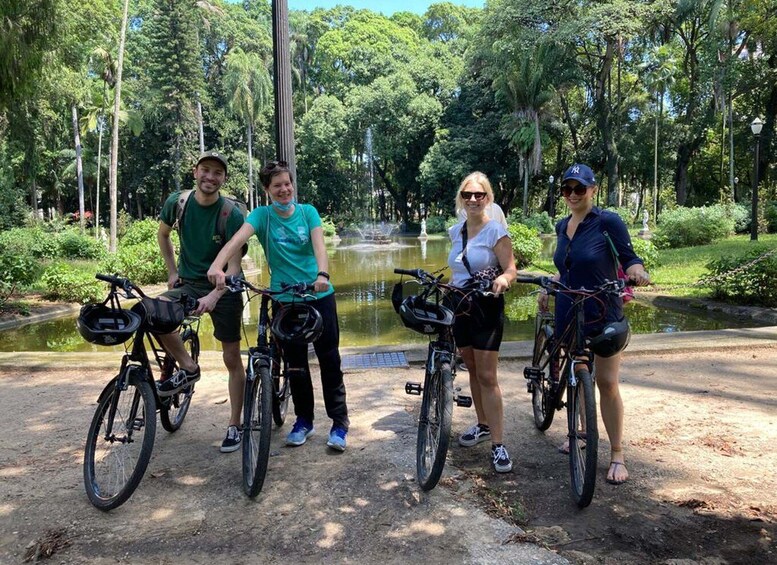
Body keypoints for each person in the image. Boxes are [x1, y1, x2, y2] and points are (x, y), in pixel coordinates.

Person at [207, 160, 350, 452]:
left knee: (329, 359)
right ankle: (304, 421)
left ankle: (339, 424)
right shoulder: (262, 216)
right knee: (295, 364)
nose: (284, 190)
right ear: (267, 190)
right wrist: (217, 266)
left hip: (318, 295)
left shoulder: (308, 212)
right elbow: (236, 240)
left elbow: (320, 248)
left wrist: (322, 275)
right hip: (284, 299)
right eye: (277, 186)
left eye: (287, 183)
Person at [538, 163, 650, 485]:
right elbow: (567, 266)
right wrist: (553, 284)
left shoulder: (607, 222)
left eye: (579, 188)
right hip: (567, 308)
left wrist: (636, 271)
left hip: (602, 310)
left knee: (607, 381)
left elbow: (629, 257)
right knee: (577, 369)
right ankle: (584, 431)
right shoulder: (562, 225)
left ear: (592, 190)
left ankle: (616, 452)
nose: (573, 195)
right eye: (567, 189)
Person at [156, 150, 246, 453]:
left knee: (232, 358)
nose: (210, 177)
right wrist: (171, 272)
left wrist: (214, 295)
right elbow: (163, 235)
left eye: (217, 173)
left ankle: (235, 424)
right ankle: (188, 366)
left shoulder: (231, 214)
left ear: (223, 179)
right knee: (154, 313)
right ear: (195, 172)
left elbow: (234, 268)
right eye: (205, 170)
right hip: (189, 284)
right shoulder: (177, 203)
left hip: (226, 289)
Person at [448, 172, 518, 473]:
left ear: (487, 198)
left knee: (488, 376)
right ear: (461, 200)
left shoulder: (495, 232)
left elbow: (511, 269)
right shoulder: (455, 231)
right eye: (467, 195)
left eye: (479, 195)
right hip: (459, 306)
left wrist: (503, 278)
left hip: (485, 306)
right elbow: (456, 269)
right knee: (472, 369)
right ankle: (482, 424)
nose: (473, 199)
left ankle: (499, 445)